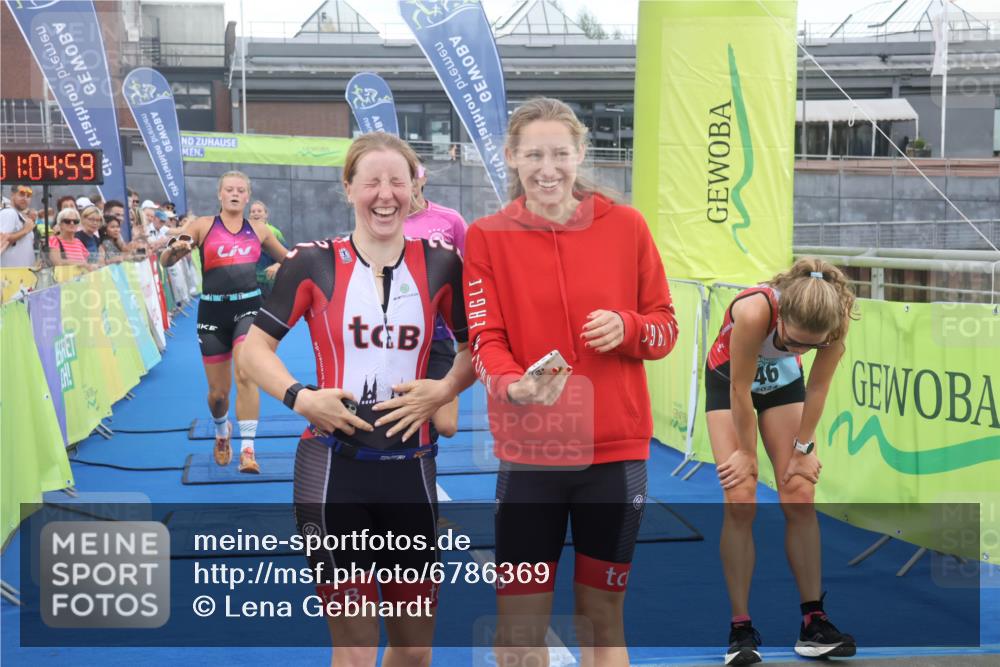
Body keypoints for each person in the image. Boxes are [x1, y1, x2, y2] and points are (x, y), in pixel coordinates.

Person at [240, 132, 474, 666]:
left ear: (416, 189)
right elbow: (255, 352)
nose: (385, 194)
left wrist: (444, 389)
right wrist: (302, 398)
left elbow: (475, 349)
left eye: (398, 181)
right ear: (349, 188)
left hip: (411, 470)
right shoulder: (311, 262)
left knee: (415, 652)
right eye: (371, 181)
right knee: (354, 651)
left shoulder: (442, 264)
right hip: (331, 471)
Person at [462, 97, 679, 667]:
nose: (548, 167)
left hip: (613, 458)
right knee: (519, 628)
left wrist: (628, 327)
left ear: (581, 153)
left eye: (560, 152)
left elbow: (666, 329)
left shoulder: (626, 225)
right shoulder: (486, 236)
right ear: (511, 157)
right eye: (533, 154)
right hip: (530, 457)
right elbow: (485, 340)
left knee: (602, 620)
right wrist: (512, 385)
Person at [704, 257, 858, 665]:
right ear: (782, 316)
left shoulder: (835, 320)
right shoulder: (754, 310)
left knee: (800, 492)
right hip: (729, 380)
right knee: (740, 494)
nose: (800, 349)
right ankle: (740, 628)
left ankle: (814, 622)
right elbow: (740, 390)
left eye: (812, 345)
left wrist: (803, 451)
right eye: (792, 342)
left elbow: (818, 388)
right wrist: (746, 454)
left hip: (783, 384)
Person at [160, 171, 288, 474]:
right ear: (219, 194)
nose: (234, 194)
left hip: (249, 309)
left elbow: (290, 259)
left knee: (247, 374)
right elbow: (166, 260)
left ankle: (248, 450)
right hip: (212, 314)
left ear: (247, 196)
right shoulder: (202, 226)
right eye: (229, 189)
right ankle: (221, 431)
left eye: (240, 190)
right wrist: (173, 252)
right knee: (218, 395)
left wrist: (281, 264)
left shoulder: (260, 230)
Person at [403, 158, 469, 437]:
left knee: (446, 425)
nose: (410, 183)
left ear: (423, 179)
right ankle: (418, 462)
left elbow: (470, 267)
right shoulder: (386, 221)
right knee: (400, 416)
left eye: (414, 176)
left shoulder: (449, 219)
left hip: (440, 334)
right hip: (399, 335)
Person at [248, 200, 283, 299]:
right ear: (249, 215)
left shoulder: (275, 232)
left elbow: (288, 256)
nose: (256, 213)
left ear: (266, 214)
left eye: (259, 211)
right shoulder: (244, 232)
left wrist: (276, 266)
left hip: (269, 283)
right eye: (253, 211)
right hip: (249, 284)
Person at [0, 185, 37, 268]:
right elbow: (2, 239)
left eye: (28, 196)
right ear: (12, 195)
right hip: (10, 275)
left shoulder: (21, 216)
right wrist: (25, 230)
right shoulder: (9, 213)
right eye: (22, 194)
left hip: (23, 274)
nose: (25, 198)